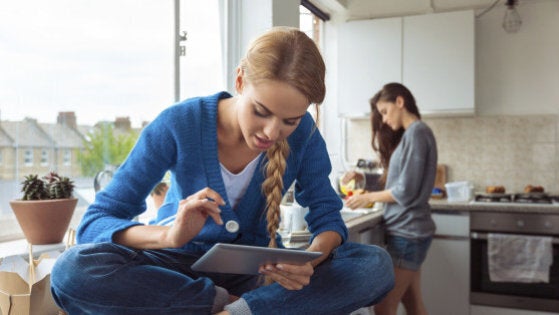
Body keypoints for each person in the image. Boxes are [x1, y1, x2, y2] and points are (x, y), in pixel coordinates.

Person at [50, 27, 394, 315]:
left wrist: (308, 261)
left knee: (373, 265)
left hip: (253, 277)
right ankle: (223, 305)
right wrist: (170, 237)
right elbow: (96, 222)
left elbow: (328, 218)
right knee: (71, 271)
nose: (272, 133)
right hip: (172, 269)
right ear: (240, 80)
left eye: (290, 120)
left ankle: (239, 311)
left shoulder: (304, 136)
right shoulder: (179, 123)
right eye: (261, 111)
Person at [344, 83, 437, 315]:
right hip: (411, 232)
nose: (383, 120)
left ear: (400, 102)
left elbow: (405, 191)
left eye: (384, 111)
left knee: (384, 308)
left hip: (408, 234)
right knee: (413, 303)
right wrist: (363, 176)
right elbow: (398, 180)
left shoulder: (417, 132)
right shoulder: (413, 134)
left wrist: (368, 198)